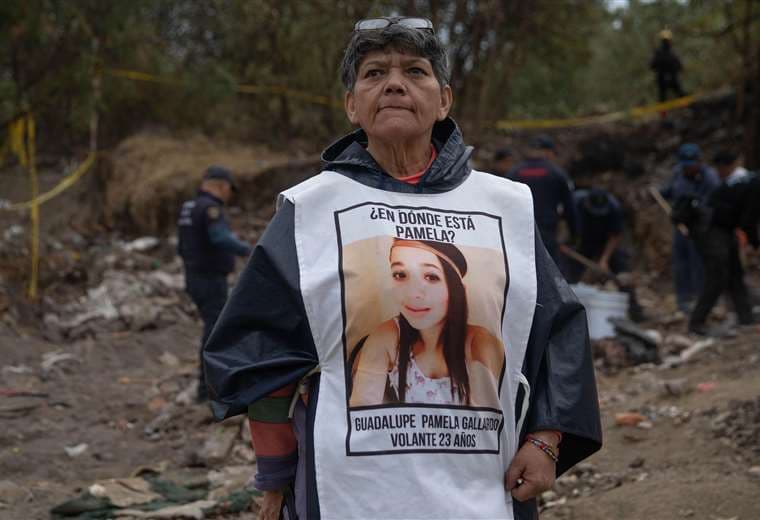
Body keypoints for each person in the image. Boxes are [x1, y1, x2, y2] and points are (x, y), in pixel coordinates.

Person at [203, 17, 601, 520]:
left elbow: (556, 331)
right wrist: (275, 475)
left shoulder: (505, 207)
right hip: (350, 497)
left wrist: (546, 441)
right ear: (352, 105)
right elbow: (261, 358)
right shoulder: (310, 212)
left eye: (415, 71)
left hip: (485, 491)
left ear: (444, 100)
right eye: (374, 73)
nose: (394, 83)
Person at [349, 239, 504, 408]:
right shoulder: (387, 337)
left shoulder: (477, 343)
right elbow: (363, 411)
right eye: (400, 275)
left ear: (457, 290)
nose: (413, 293)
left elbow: (487, 419)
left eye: (431, 277)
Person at [177, 166, 252, 402]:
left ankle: (209, 387)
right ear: (221, 185)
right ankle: (207, 390)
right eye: (229, 189)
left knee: (213, 329)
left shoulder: (189, 207)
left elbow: (182, 245)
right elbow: (220, 238)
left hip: (194, 277)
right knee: (214, 333)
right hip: (209, 280)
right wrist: (250, 250)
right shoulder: (210, 208)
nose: (229, 194)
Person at [688, 151, 760, 335]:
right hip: (711, 230)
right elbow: (748, 221)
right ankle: (697, 322)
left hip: (725, 230)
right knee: (717, 277)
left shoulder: (747, 180)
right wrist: (755, 244)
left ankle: (746, 318)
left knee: (735, 274)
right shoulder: (753, 184)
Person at [564, 188, 645, 322]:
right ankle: (567, 314)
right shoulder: (575, 201)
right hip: (581, 241)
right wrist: (564, 242)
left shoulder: (614, 208)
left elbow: (615, 235)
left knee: (622, 275)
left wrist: (604, 259)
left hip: (605, 242)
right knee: (568, 276)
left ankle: (636, 313)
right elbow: (562, 221)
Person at [660, 143, 719, 313]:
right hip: (680, 227)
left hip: (699, 230)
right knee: (680, 263)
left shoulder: (710, 179)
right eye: (684, 166)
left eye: (690, 166)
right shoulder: (678, 174)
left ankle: (701, 301)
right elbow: (670, 191)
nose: (687, 169)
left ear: (698, 162)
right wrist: (659, 193)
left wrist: (693, 209)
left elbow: (711, 207)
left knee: (698, 264)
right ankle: (683, 301)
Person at [507, 135, 577, 265]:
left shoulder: (514, 173)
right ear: (548, 152)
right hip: (546, 234)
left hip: (519, 234)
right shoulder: (557, 174)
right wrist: (574, 236)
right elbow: (570, 209)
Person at [650, 29, 686, 102]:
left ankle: (688, 105)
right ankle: (689, 106)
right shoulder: (671, 52)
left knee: (664, 97)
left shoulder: (660, 53)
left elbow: (652, 65)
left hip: (664, 78)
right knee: (678, 93)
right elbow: (679, 65)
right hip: (668, 77)